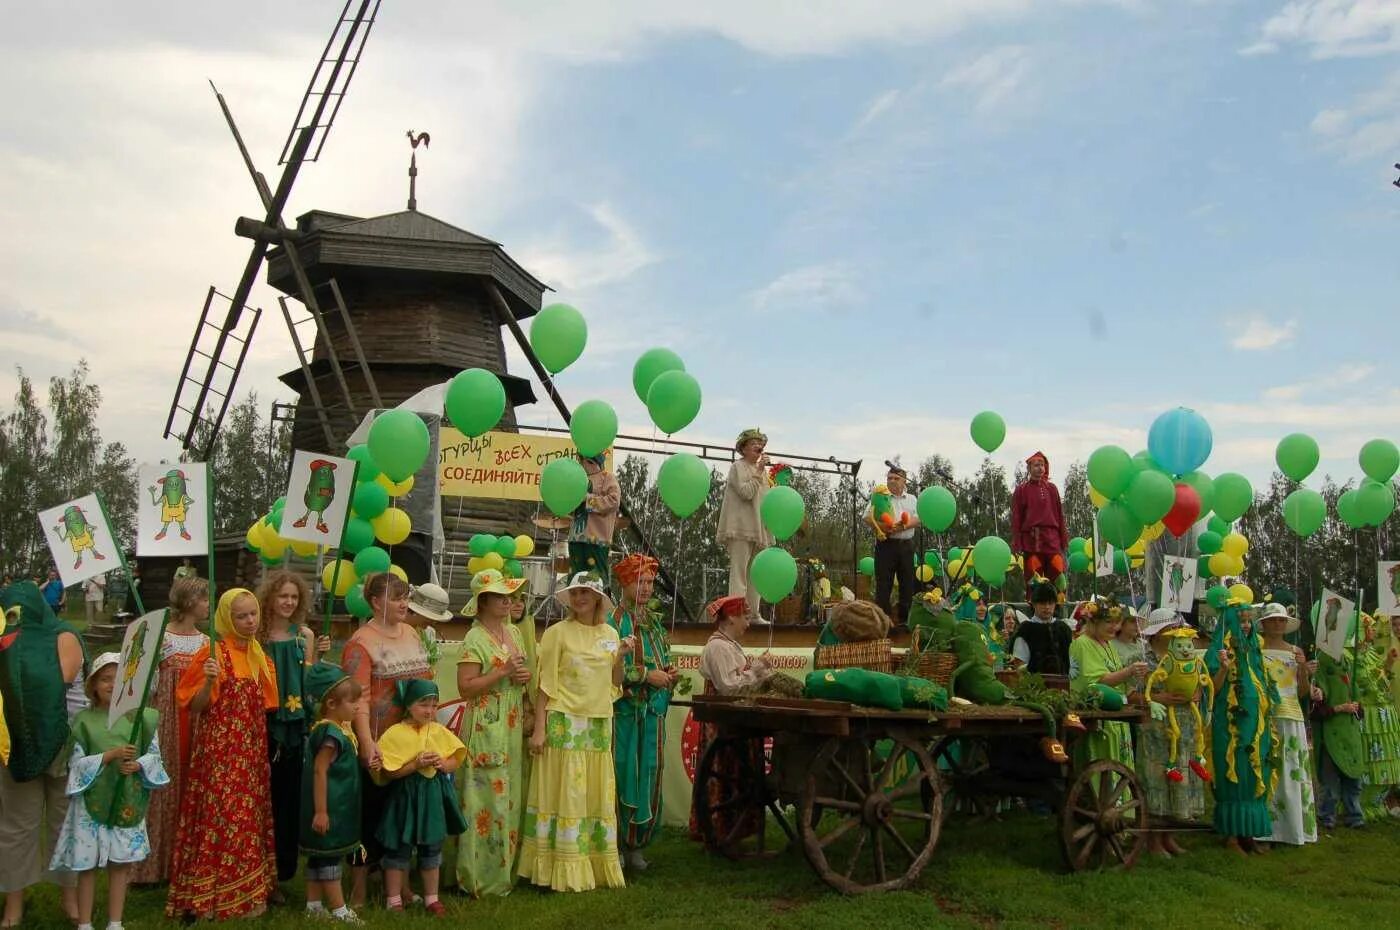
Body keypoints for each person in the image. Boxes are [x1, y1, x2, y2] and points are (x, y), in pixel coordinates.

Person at [166, 588, 279, 919]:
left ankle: (248, 895)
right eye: (240, 616)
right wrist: (207, 682)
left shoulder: (260, 658)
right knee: (221, 817)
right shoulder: (213, 654)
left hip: (251, 751)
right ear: (227, 619)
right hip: (219, 751)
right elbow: (195, 707)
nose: (249, 621)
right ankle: (209, 896)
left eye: (253, 614)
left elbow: (266, 707)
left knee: (247, 818)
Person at [519, 572, 630, 893]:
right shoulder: (557, 633)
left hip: (597, 723)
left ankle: (592, 864)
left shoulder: (610, 633)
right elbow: (545, 684)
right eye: (575, 593)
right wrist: (539, 729)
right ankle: (557, 866)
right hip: (563, 720)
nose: (580, 598)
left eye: (586, 592)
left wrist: (621, 657)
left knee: (593, 793)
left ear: (597, 597)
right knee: (565, 791)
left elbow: (616, 681)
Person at [49, 652, 168, 930]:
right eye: (105, 679)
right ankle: (86, 923)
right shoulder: (84, 721)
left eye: (119, 679)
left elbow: (154, 756)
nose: (112, 685)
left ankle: (115, 922)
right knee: (86, 866)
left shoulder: (142, 720)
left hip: (126, 799)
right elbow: (76, 764)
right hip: (91, 804)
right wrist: (109, 756)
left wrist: (138, 765)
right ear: (93, 685)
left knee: (120, 864)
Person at [340, 572, 432, 907]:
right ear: (376, 602)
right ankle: (359, 887)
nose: (404, 604)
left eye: (406, 596)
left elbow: (424, 683)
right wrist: (366, 743)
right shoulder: (361, 642)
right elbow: (357, 697)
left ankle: (401, 885)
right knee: (368, 814)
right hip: (377, 741)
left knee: (401, 814)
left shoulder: (411, 633)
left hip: (409, 743)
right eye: (396, 598)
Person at [0, 580, 86, 927]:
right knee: (17, 825)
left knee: (65, 823)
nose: (14, 619)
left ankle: (68, 895)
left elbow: (56, 680)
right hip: (15, 744)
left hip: (61, 744)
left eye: (18, 611)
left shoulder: (63, 635)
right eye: (8, 612)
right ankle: (15, 900)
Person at [454, 569, 531, 898]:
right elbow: (466, 687)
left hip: (511, 722)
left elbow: (516, 674)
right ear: (483, 602)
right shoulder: (474, 638)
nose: (509, 601)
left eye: (510, 596)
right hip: (486, 722)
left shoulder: (513, 631)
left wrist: (520, 677)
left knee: (508, 796)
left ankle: (503, 873)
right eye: (501, 596)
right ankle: (475, 878)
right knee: (483, 798)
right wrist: (501, 671)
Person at [129, 577, 209, 885]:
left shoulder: (205, 643)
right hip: (166, 719)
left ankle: (185, 862)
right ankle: (153, 865)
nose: (207, 605)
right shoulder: (162, 639)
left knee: (190, 785)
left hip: (196, 719)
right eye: (203, 599)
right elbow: (145, 685)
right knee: (161, 786)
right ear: (189, 602)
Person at [257, 570, 330, 895]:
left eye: (294, 597)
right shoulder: (257, 636)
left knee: (288, 801)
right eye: (282, 595)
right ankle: (256, 869)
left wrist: (317, 657)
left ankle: (282, 871)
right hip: (264, 725)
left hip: (295, 728)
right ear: (270, 598)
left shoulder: (304, 636)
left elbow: (309, 683)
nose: (288, 602)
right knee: (263, 801)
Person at [375, 680, 467, 916]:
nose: (429, 710)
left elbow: (456, 757)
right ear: (409, 705)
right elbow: (389, 771)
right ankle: (393, 899)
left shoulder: (437, 731)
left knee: (432, 848)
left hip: (431, 799)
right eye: (423, 704)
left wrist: (443, 764)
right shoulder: (395, 733)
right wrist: (414, 765)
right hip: (404, 799)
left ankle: (431, 898)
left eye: (434, 705)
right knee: (398, 847)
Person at [610, 554, 674, 872]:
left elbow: (661, 655)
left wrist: (667, 671)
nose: (647, 588)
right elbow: (610, 665)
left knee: (650, 771)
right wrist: (646, 676)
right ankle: (618, 845)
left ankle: (638, 846)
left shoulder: (654, 622)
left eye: (650, 582)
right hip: (626, 713)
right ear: (624, 583)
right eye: (640, 581)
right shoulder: (614, 622)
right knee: (624, 773)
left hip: (652, 715)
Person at [1206, 600, 1277, 854]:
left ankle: (1248, 833)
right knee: (1234, 767)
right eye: (1241, 621)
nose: (1246, 626)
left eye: (1249, 621)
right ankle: (1232, 836)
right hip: (1231, 723)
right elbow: (1211, 689)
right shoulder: (1218, 651)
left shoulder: (1254, 650)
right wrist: (1224, 668)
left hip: (1257, 723)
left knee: (1255, 767)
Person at [300, 663, 368, 924]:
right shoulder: (330, 733)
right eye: (352, 702)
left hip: (336, 807)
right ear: (331, 703)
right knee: (329, 857)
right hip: (329, 807)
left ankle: (313, 905)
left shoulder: (336, 728)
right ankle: (339, 909)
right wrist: (321, 810)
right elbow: (319, 771)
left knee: (319, 857)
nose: (357, 707)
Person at [1135, 609, 1204, 857]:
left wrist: (1197, 694)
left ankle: (1169, 837)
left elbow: (1199, 682)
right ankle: (1153, 841)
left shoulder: (1186, 656)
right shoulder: (1143, 658)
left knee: (1179, 777)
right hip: (1156, 726)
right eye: (1167, 629)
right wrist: (1157, 697)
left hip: (1184, 725)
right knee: (1157, 780)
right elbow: (1132, 694)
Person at [1258, 603, 1317, 846]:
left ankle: (1292, 829)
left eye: (1281, 620)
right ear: (1263, 624)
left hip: (1291, 715)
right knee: (1267, 769)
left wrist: (1303, 668)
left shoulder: (1295, 651)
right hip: (1266, 714)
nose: (1277, 624)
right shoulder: (1256, 650)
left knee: (1292, 770)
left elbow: (1302, 691)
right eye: (1272, 620)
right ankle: (1265, 828)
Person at [1068, 599, 1144, 771]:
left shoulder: (1107, 643)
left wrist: (1134, 674)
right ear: (1093, 622)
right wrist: (1129, 671)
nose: (1114, 627)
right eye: (1108, 622)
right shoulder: (1082, 643)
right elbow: (1096, 682)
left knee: (1121, 766)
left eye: (1116, 623)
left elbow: (1117, 676)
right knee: (1103, 765)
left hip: (1117, 715)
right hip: (1097, 716)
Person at [716, 429, 775, 622]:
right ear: (743, 448)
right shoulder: (737, 467)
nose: (759, 446)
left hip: (758, 528)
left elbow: (764, 501)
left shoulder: (763, 473)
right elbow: (746, 493)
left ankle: (753, 613)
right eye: (754, 443)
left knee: (756, 574)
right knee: (739, 572)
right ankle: (736, 614)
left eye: (761, 443)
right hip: (740, 528)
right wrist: (758, 472)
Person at [1355, 612, 1400, 820]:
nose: (1374, 631)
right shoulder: (1356, 655)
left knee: (1387, 761)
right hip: (1372, 714)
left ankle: (1378, 802)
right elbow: (1369, 687)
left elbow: (1384, 681)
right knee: (1372, 761)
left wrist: (1388, 664)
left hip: (1385, 713)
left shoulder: (1372, 652)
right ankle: (1363, 804)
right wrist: (1385, 670)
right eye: (1370, 627)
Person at [1314, 647, 1365, 832]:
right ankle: (1327, 816)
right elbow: (1316, 710)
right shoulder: (1321, 664)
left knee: (1353, 777)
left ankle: (1354, 815)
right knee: (1329, 780)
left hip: (1350, 732)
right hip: (1330, 732)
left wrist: (1356, 707)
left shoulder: (1347, 663)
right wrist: (1339, 708)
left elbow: (1358, 703)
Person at [1010, 452, 1068, 603]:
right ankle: (1034, 610)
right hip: (1032, 540)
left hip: (1052, 539)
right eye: (1036, 465)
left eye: (1042, 465)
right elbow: (1017, 517)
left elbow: (1059, 515)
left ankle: (1058, 609)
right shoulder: (1022, 490)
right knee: (1034, 577)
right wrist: (1017, 541)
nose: (1040, 468)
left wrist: (1063, 538)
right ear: (1029, 468)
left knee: (1058, 573)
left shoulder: (1052, 489)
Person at [866, 464, 919, 625]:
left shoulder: (912, 499)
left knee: (907, 583)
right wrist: (887, 529)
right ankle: (883, 621)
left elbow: (918, 519)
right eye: (889, 478)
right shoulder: (880, 496)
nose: (892, 481)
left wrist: (901, 526)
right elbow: (868, 517)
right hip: (886, 545)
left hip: (906, 545)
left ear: (905, 482)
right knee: (883, 584)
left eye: (896, 478)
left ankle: (905, 620)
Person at [568, 453, 621, 588]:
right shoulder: (577, 479)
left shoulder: (607, 477)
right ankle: (576, 604)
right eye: (580, 460)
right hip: (576, 538)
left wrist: (588, 499)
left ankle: (598, 605)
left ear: (592, 462)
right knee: (576, 577)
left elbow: (613, 501)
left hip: (596, 539)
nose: (581, 463)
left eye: (583, 461)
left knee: (595, 578)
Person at [1009, 581, 1073, 675]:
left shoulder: (1064, 629)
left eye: (1050, 603)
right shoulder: (1026, 630)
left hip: (1063, 685)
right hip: (1034, 686)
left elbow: (1073, 661)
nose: (1047, 607)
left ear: (1055, 604)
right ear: (1034, 604)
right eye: (1042, 603)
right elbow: (1020, 666)